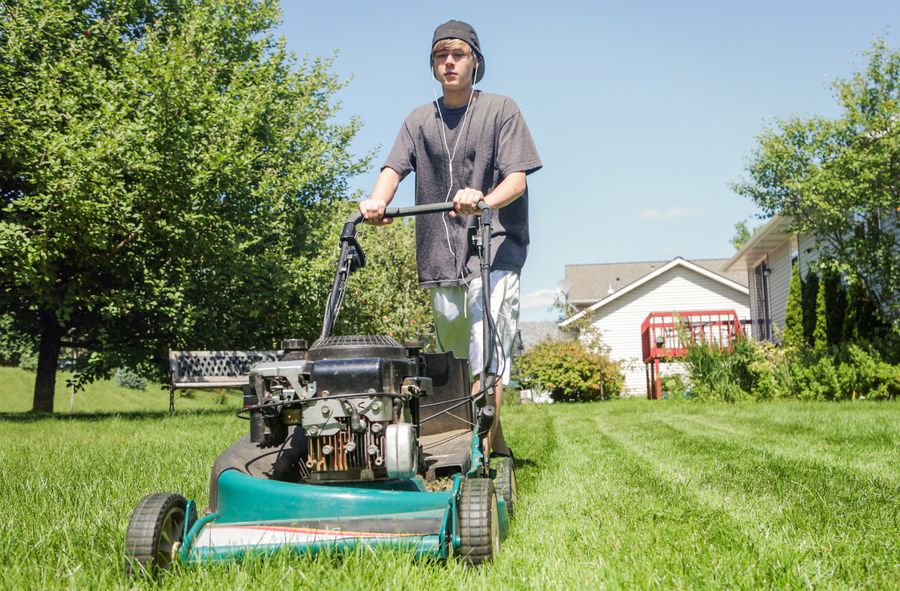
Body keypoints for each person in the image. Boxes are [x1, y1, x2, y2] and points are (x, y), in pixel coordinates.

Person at [358, 20, 541, 455]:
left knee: (487, 352)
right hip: (440, 254)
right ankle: (492, 444)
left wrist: (485, 199)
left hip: (495, 247)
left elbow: (517, 180)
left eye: (458, 53)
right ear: (433, 65)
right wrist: (376, 203)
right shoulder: (419, 120)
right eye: (441, 55)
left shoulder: (501, 109)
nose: (449, 62)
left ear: (476, 61)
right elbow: (393, 169)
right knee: (456, 359)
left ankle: (478, 456)